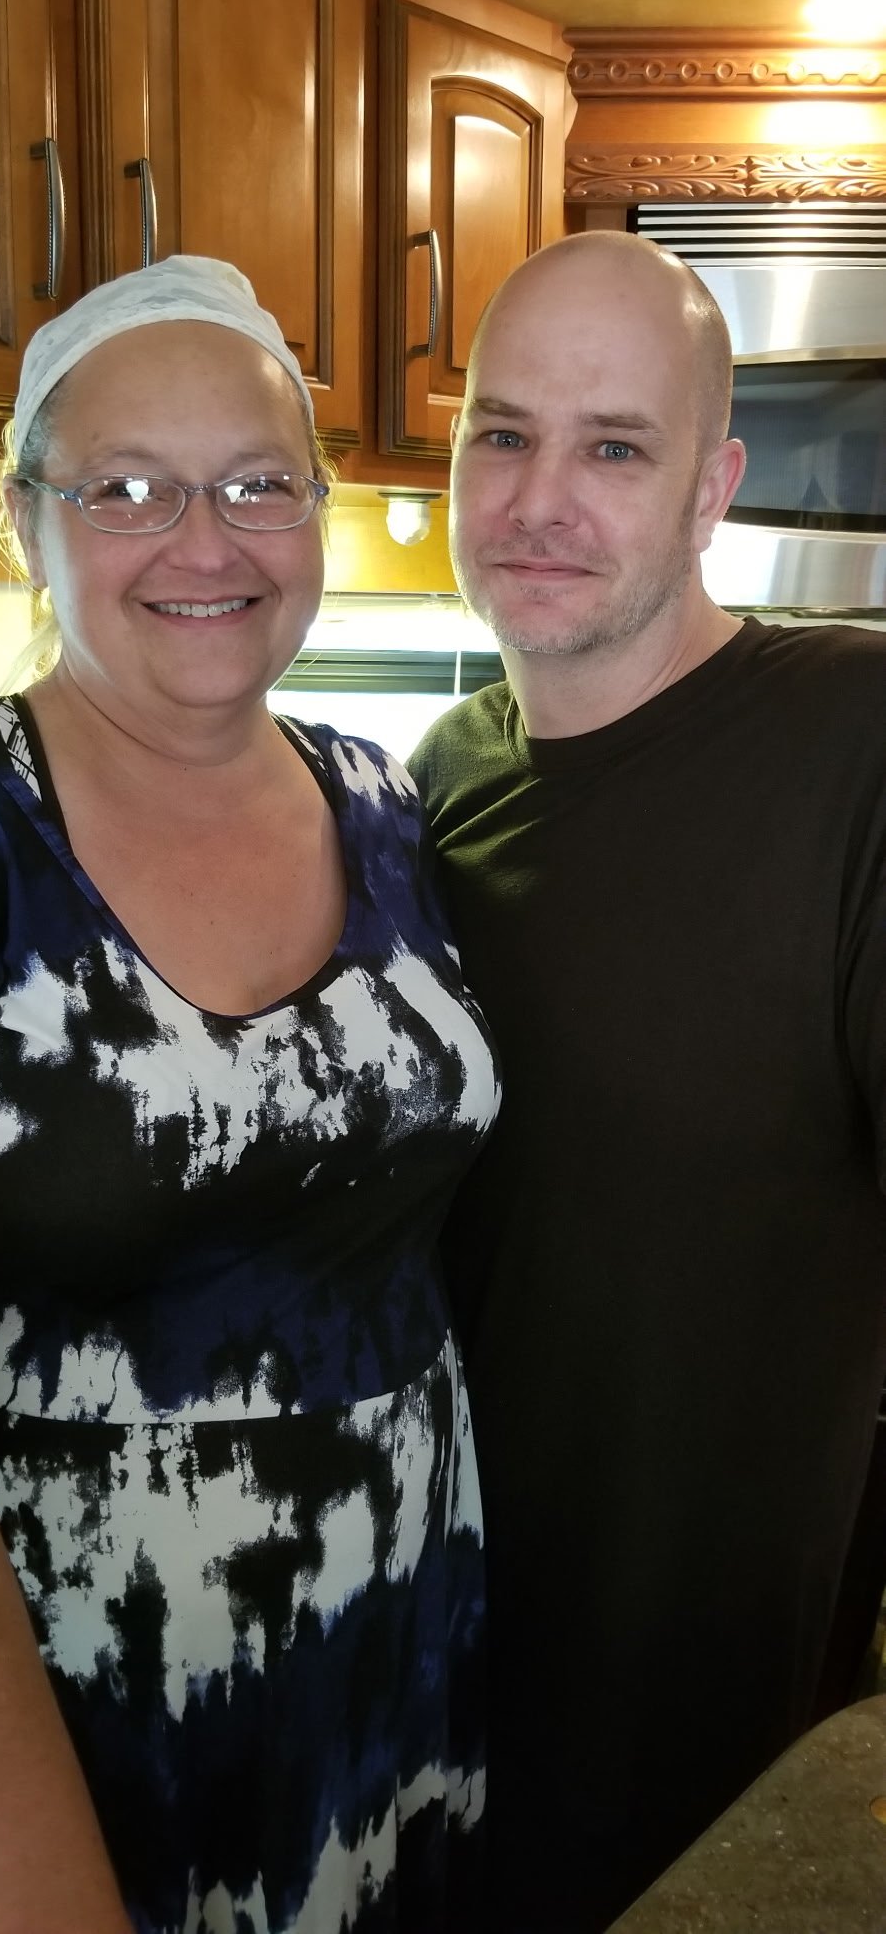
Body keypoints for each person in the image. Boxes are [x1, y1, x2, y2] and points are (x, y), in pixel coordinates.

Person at [0, 254, 501, 1934]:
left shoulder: (387, 804)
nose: (207, 540)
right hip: (71, 1729)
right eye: (128, 488)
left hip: (396, 1702)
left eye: (257, 482)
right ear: (27, 521)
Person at [408, 229, 886, 1933]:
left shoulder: (857, 750)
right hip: (418, 1680)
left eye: (614, 446)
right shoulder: (438, 781)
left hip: (701, 1748)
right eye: (504, 432)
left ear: (712, 487)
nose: (541, 496)